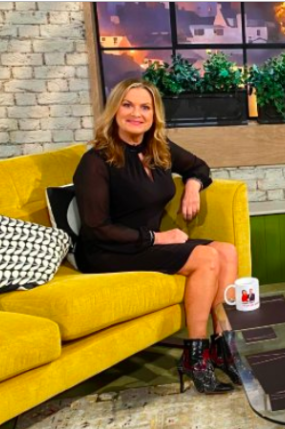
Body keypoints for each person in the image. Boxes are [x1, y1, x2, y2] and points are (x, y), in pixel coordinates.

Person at [72, 78, 241, 395]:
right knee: (206, 258)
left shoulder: (158, 150)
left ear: (154, 115)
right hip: (108, 250)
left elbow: (200, 167)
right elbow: (97, 227)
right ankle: (195, 355)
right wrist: (157, 239)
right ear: (115, 111)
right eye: (128, 105)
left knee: (227, 251)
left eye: (145, 107)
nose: (136, 113)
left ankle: (223, 344)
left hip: (146, 243)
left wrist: (192, 184)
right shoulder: (96, 161)